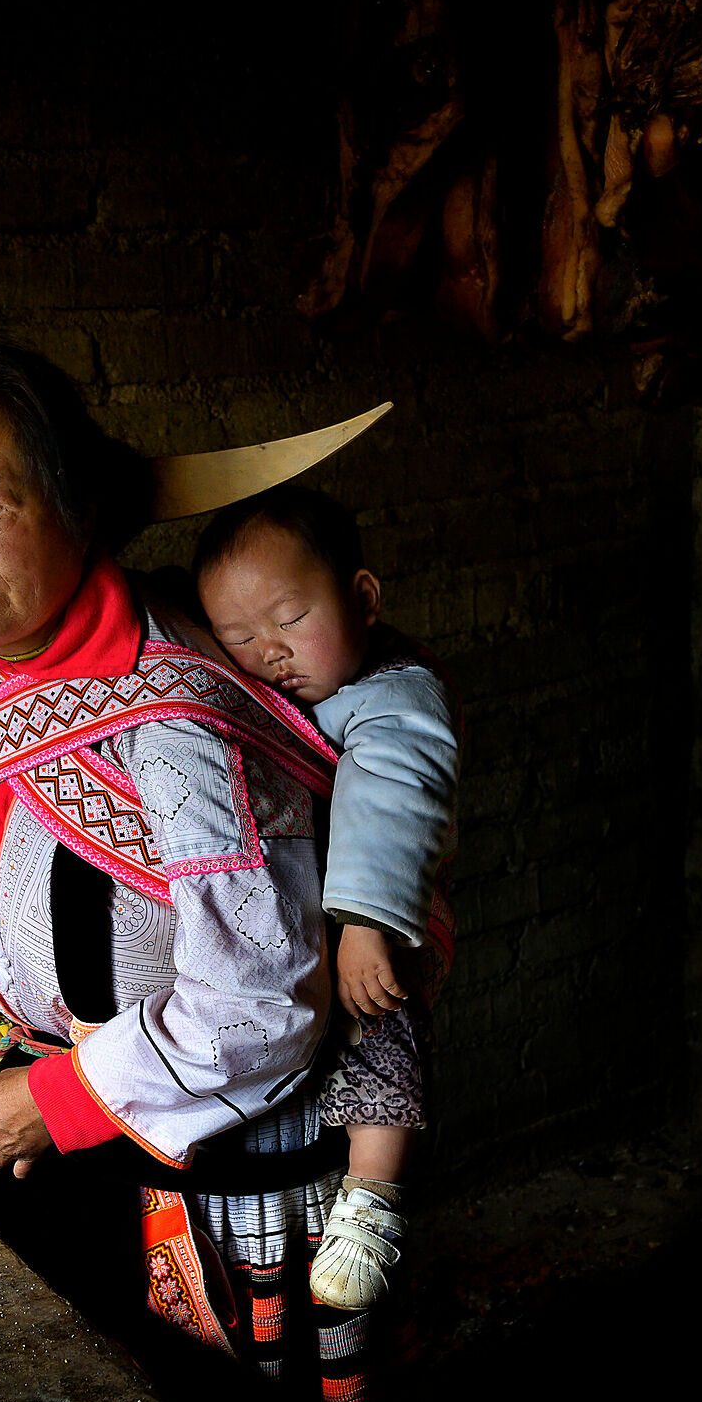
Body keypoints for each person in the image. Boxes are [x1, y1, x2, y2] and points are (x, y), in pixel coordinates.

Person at [0, 346, 439, 1402]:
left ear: (78, 507)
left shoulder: (176, 722)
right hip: (64, 1141)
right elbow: (18, 884)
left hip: (216, 1166)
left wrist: (60, 1096)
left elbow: (261, 1005)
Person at [191, 487, 458, 1311]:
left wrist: (364, 925)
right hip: (319, 927)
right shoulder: (295, 694)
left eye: (290, 619)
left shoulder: (394, 697)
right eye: (240, 637)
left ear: (364, 597)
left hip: (377, 922)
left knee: (380, 1022)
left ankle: (373, 1202)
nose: (270, 651)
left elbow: (390, 807)